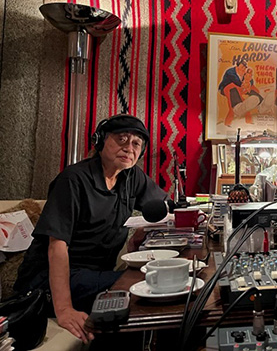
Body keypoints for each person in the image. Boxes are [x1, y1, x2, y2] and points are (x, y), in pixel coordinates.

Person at [14, 114, 168, 343]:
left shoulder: (131, 176)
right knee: (142, 284)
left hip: (93, 276)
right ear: (100, 141)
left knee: (159, 277)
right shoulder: (73, 180)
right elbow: (57, 246)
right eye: (121, 139)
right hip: (47, 282)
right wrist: (64, 309)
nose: (129, 148)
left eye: (136, 143)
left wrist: (142, 231)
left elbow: (165, 207)